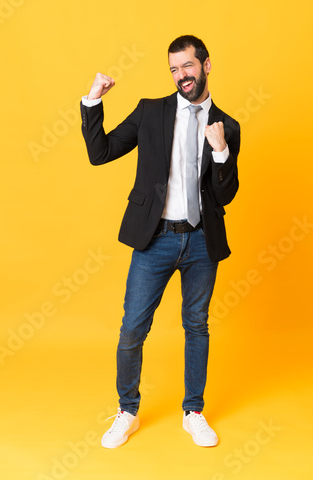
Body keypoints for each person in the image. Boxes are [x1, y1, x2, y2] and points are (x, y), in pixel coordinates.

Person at [80, 35, 240, 448]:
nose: (181, 76)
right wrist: (93, 100)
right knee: (133, 327)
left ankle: (194, 412)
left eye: (187, 66)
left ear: (206, 65)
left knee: (197, 325)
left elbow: (226, 195)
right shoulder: (151, 112)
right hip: (155, 239)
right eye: (173, 69)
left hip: (203, 242)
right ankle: (127, 411)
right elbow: (101, 152)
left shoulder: (228, 125)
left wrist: (221, 152)